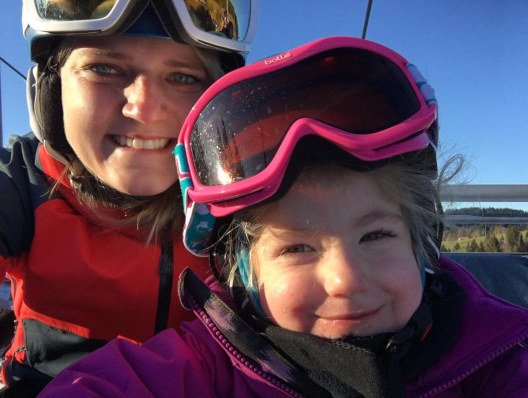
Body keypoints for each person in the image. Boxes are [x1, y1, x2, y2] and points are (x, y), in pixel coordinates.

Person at [39, 37, 528, 397]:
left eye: (377, 234)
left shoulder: (494, 357)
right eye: (296, 247)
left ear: (423, 242)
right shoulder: (209, 370)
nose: (345, 279)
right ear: (241, 272)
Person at [0, 0, 258, 395]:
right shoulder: (22, 182)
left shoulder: (251, 205)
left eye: (184, 76)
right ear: (50, 89)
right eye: (104, 68)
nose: (144, 109)